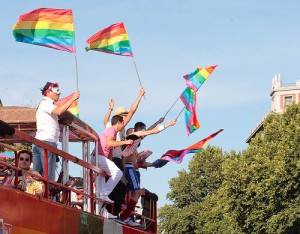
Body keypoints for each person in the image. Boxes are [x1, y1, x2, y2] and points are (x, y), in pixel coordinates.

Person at [119, 119, 176, 226]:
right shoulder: (134, 135)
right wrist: (169, 124)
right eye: (143, 131)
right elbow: (152, 131)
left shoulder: (136, 138)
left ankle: (125, 216)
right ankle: (124, 217)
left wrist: (157, 122)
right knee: (136, 193)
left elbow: (149, 131)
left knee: (132, 193)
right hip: (129, 168)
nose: (144, 134)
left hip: (130, 167)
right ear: (138, 130)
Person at [103, 88, 146, 217]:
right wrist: (139, 97)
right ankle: (112, 212)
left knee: (120, 188)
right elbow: (110, 142)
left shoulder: (117, 128)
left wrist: (110, 109)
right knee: (118, 187)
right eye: (124, 116)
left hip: (117, 159)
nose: (126, 118)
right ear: (119, 118)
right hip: (112, 159)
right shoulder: (112, 128)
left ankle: (114, 212)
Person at [33, 82, 80, 182]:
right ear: (49, 92)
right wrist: (72, 99)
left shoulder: (45, 103)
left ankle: (37, 193)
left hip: (40, 141)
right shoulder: (46, 103)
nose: (58, 95)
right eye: (57, 93)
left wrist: (72, 97)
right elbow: (59, 111)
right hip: (47, 142)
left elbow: (59, 104)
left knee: (37, 175)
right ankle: (47, 194)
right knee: (48, 176)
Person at [97, 115, 133, 219]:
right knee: (118, 173)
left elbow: (109, 149)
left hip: (100, 158)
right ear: (119, 123)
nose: (123, 126)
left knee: (100, 186)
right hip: (98, 157)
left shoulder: (113, 132)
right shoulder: (110, 130)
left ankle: (101, 210)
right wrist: (125, 142)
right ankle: (104, 194)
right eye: (123, 123)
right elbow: (110, 143)